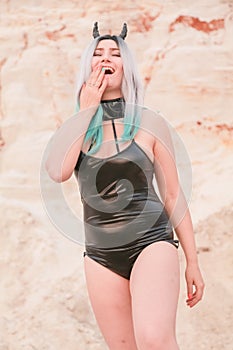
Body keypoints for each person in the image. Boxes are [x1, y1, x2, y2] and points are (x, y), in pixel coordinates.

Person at [45, 22, 205, 350]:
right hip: (101, 256)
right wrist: (87, 108)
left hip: (152, 242)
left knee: (154, 340)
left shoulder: (150, 121)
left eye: (115, 53)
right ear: (89, 66)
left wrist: (193, 261)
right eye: (98, 53)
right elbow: (57, 171)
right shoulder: (76, 128)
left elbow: (173, 194)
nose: (106, 58)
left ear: (125, 66)